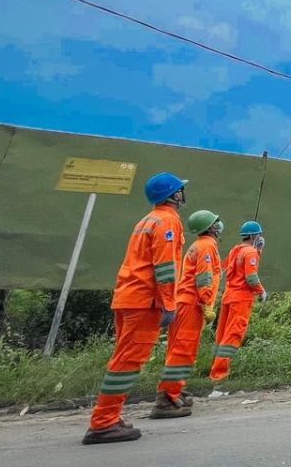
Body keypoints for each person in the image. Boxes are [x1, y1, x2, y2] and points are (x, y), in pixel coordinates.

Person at [82, 172, 187, 445]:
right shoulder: (167, 221)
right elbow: (165, 268)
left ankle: (109, 416)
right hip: (144, 300)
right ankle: (103, 423)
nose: (183, 193)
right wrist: (169, 303)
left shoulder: (147, 220)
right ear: (174, 195)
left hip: (127, 296)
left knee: (122, 359)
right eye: (180, 190)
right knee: (128, 362)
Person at [150, 209, 224, 419]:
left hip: (186, 303)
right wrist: (208, 303)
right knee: (183, 351)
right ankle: (166, 399)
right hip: (192, 304)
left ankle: (173, 390)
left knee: (178, 349)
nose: (219, 224)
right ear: (210, 227)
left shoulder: (200, 245)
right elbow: (204, 278)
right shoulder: (207, 246)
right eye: (216, 221)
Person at [210, 221, 268, 382]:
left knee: (222, 335)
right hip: (241, 299)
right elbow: (251, 277)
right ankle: (219, 377)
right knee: (232, 336)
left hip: (229, 296)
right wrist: (261, 291)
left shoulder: (236, 249)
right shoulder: (250, 253)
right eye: (258, 234)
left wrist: (258, 251)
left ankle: (213, 369)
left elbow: (227, 268)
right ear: (252, 236)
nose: (260, 237)